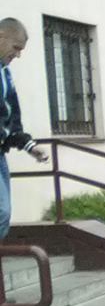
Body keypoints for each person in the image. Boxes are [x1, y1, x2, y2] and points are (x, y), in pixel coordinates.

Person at [0, 18, 48, 239]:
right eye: (16, 48)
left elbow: (10, 117)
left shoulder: (4, 72)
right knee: (1, 213)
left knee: (4, 218)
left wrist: (29, 146)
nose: (18, 55)